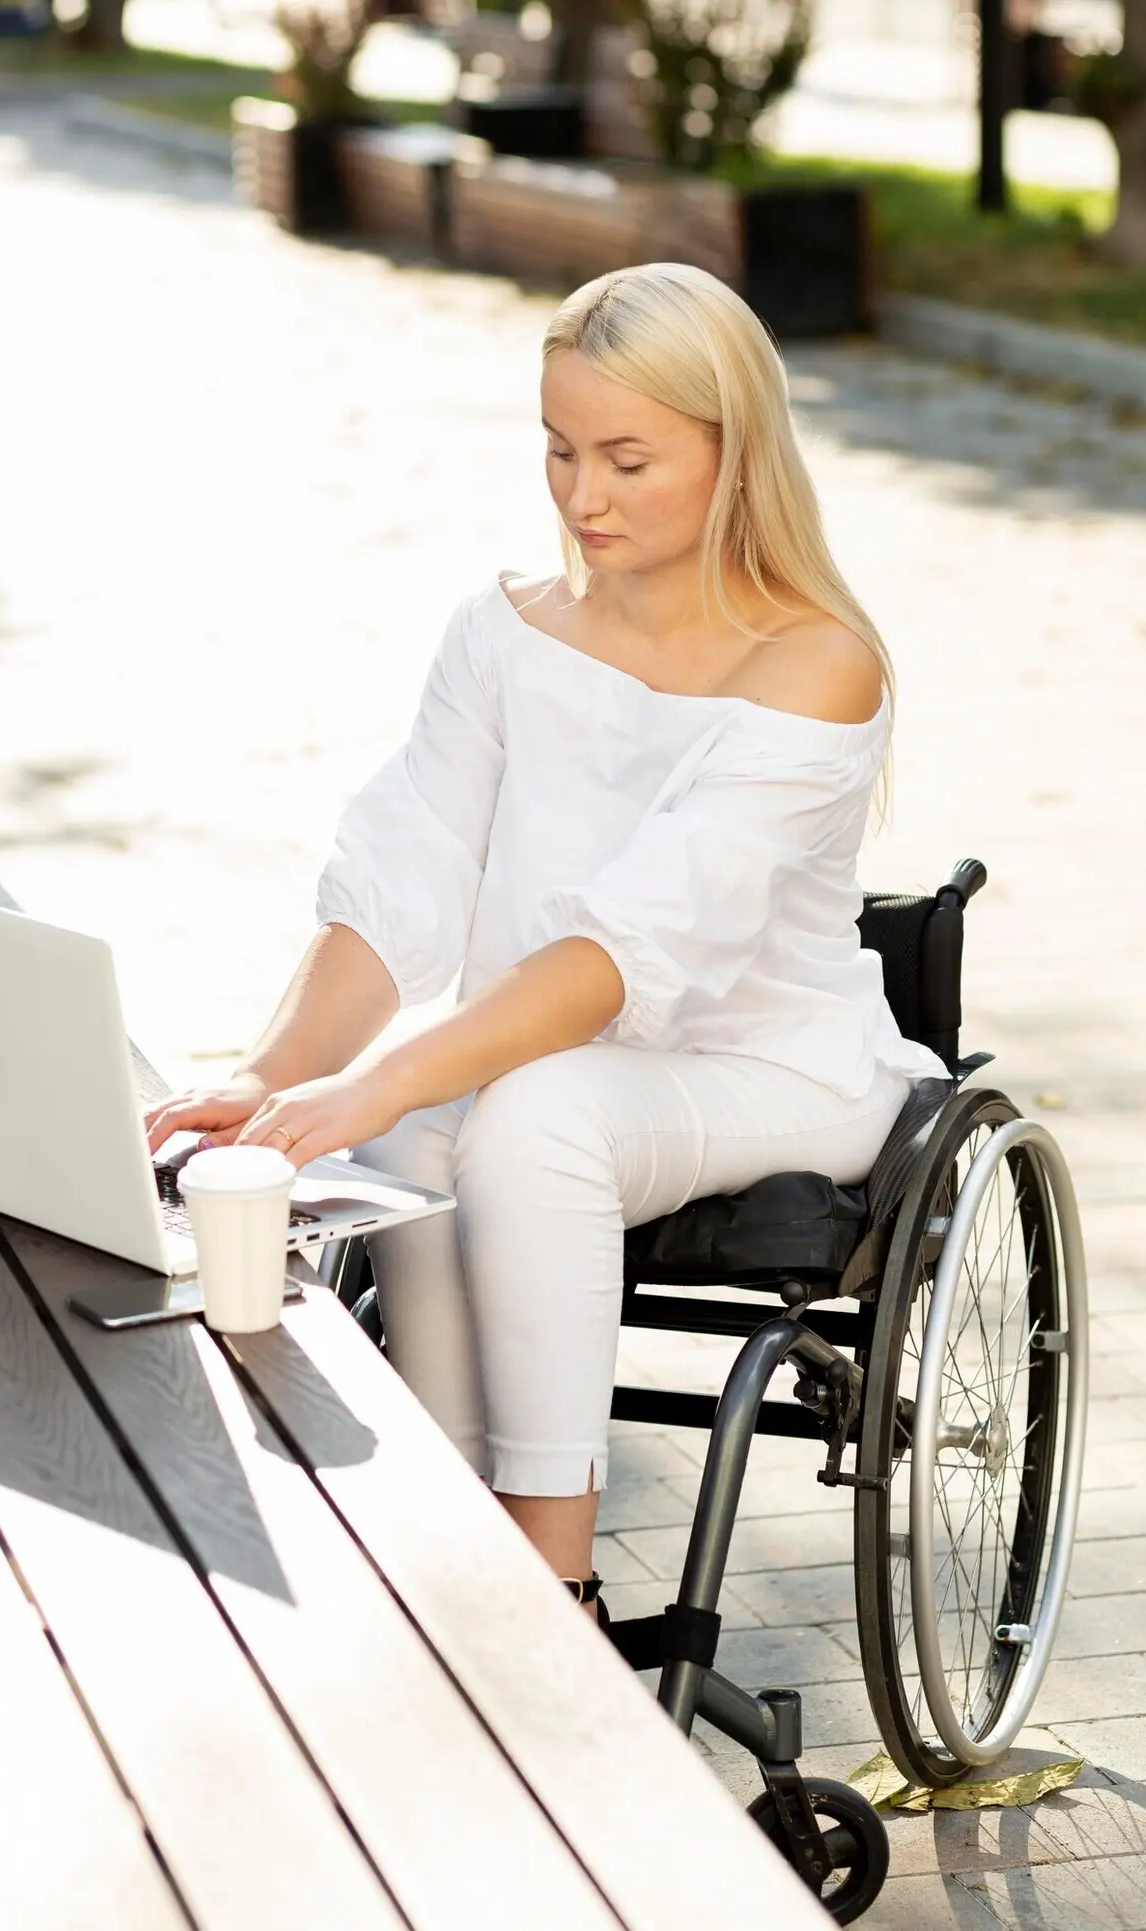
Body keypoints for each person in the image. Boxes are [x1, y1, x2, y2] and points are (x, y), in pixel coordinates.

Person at [145, 262, 948, 1620]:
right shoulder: (505, 634)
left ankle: (548, 1581)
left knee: (520, 1112)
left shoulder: (815, 661)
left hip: (772, 1064)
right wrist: (275, 1082)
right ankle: (448, 1541)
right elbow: (401, 876)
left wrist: (381, 1079)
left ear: (733, 450)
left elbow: (623, 953)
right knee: (414, 1128)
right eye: (561, 450)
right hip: (551, 1052)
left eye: (629, 459)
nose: (584, 496)